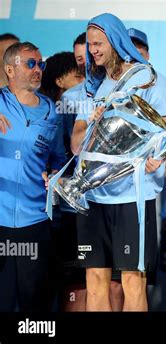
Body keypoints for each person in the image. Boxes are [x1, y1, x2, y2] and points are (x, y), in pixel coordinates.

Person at [70, 13, 166, 312]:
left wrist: (157, 154)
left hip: (132, 197)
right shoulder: (95, 85)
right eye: (90, 44)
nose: (93, 50)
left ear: (116, 41)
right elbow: (77, 144)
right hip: (92, 196)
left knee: (132, 282)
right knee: (95, 281)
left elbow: (165, 134)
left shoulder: (151, 80)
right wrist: (89, 127)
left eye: (98, 43)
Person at [0, 42, 66, 311]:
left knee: (34, 302)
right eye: (30, 63)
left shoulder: (52, 112)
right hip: (0, 223)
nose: (38, 69)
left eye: (41, 64)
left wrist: (56, 176)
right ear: (9, 69)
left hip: (35, 222)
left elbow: (60, 160)